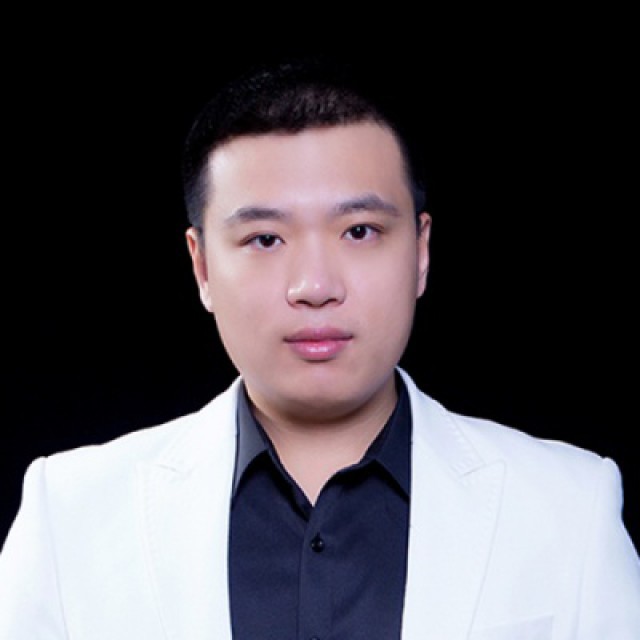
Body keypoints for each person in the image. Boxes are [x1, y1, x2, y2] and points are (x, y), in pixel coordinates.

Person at [1, 56, 639, 640]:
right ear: (202, 267)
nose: (314, 287)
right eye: (265, 239)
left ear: (420, 252)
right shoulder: (71, 515)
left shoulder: (569, 508)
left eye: (359, 231)